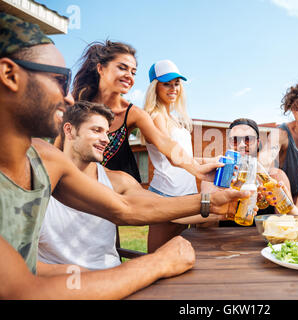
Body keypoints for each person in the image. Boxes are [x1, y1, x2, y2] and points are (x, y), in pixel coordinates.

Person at [0, 13, 249, 299]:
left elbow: (127, 204)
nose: (66, 97)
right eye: (58, 79)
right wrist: (157, 262)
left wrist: (204, 186)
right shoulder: (63, 133)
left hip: (109, 186)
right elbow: (22, 289)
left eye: (134, 70)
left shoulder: (57, 160)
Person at [38, 101, 225, 272]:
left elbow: (161, 207)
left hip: (115, 281)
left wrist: (222, 205)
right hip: (62, 287)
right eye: (96, 130)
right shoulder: (38, 180)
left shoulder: (118, 181)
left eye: (106, 132)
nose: (106, 139)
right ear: (69, 131)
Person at [66, 40, 218, 183]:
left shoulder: (134, 113)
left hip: (121, 191)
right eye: (122, 68)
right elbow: (60, 147)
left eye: (133, 72)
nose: (129, 76)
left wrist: (197, 169)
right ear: (100, 68)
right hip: (77, 188)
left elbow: (165, 142)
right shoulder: (77, 103)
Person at [143, 60, 200, 252]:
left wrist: (210, 162)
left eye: (176, 83)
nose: (173, 88)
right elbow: (172, 157)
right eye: (166, 84)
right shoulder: (155, 116)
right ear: (155, 87)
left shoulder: (175, 118)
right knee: (157, 258)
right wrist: (201, 169)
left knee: (179, 257)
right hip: (167, 195)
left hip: (186, 193)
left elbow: (186, 158)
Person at [202, 118, 294, 228]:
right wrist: (223, 208)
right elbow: (203, 224)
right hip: (225, 241)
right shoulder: (214, 177)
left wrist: (278, 202)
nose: (242, 145)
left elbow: (286, 222)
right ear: (229, 144)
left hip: (265, 241)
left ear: (258, 142)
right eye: (235, 140)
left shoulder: (276, 176)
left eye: (248, 139)